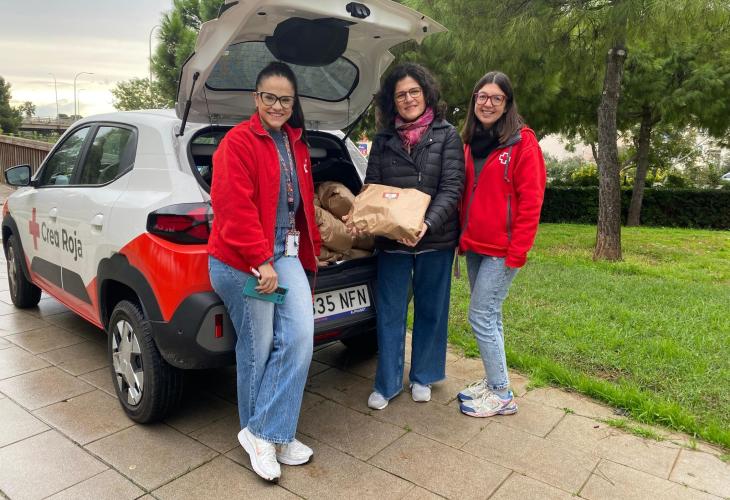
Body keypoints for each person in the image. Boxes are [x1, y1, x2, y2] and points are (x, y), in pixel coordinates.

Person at [207, 61, 321, 481]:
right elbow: (233, 208)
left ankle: (267, 431)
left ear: (293, 102)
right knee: (260, 345)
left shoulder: (295, 142)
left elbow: (299, 204)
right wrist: (260, 260)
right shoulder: (237, 142)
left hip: (284, 251)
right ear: (256, 98)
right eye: (270, 97)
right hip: (242, 259)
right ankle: (267, 438)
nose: (277, 106)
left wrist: (311, 248)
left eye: (285, 99)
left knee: (301, 336)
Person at [358, 63, 464, 410]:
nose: (408, 99)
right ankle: (387, 383)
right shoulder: (384, 139)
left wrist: (426, 224)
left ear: (426, 93)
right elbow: (372, 187)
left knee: (432, 311)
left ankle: (423, 376)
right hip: (393, 242)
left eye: (414, 92)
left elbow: (452, 187)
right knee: (390, 312)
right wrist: (363, 215)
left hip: (435, 239)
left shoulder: (447, 135)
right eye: (400, 94)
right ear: (393, 101)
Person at [456, 71, 546, 417]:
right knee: (491, 316)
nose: (488, 103)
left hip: (503, 250)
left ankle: (502, 395)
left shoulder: (523, 142)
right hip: (475, 245)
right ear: (474, 100)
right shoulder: (470, 141)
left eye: (497, 98)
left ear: (507, 104)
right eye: (482, 96)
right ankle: (496, 380)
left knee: (480, 315)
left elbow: (532, 200)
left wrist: (518, 251)